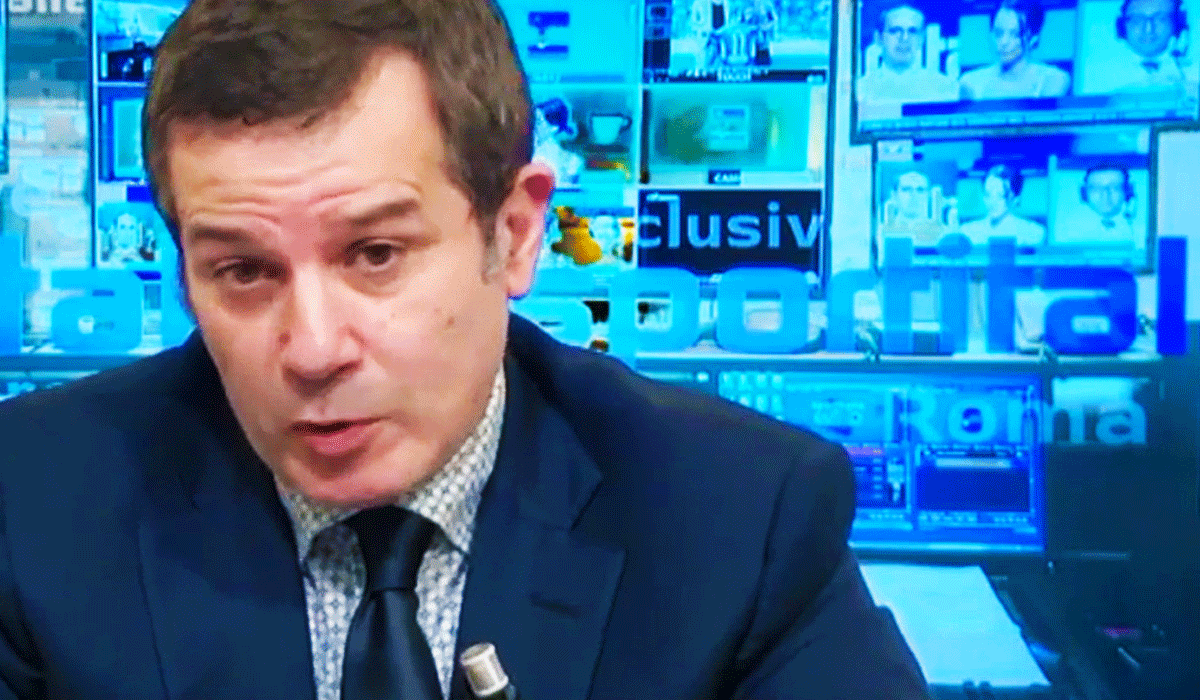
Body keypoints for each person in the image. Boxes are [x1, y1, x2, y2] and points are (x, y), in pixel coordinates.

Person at [0, 1, 928, 699]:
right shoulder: (32, 503)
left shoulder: (738, 519)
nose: (313, 350)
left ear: (515, 233)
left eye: (375, 254)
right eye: (243, 270)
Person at [959, 0, 1071, 99]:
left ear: (1033, 38)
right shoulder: (971, 84)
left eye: (1015, 34)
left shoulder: (1051, 80)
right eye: (998, 33)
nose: (1004, 42)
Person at [1084, 0, 1197, 95]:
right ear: (1122, 26)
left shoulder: (1192, 75)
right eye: (1137, 20)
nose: (1148, 29)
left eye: (1160, 19)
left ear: (1177, 25)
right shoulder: (1092, 76)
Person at [857, 1, 959, 105]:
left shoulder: (946, 88)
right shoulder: (861, 90)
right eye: (895, 31)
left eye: (912, 31)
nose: (904, 38)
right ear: (879, 38)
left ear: (921, 39)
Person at [960, 164, 1047, 246]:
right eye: (988, 194)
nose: (992, 202)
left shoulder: (1033, 233)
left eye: (1000, 196)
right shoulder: (968, 232)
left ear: (1015, 199)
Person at [1056, 164, 1139, 243]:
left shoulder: (1138, 230)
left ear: (1128, 191)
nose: (1105, 195)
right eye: (1096, 188)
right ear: (1084, 193)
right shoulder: (1066, 231)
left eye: (1114, 188)